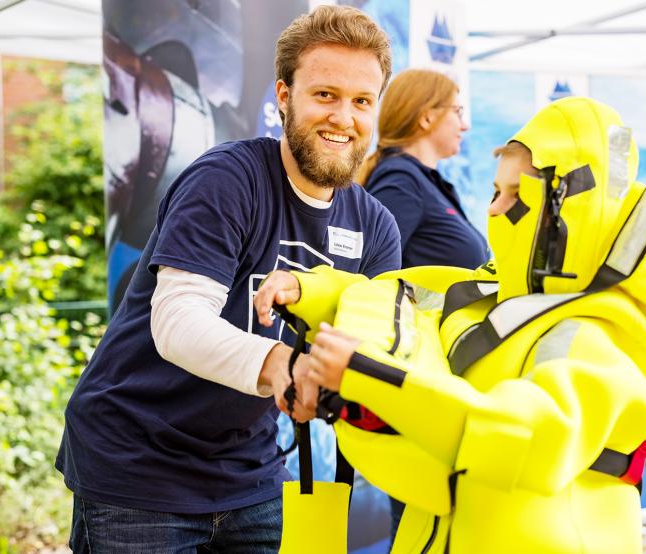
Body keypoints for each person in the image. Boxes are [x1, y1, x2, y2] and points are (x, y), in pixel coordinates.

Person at [257, 96, 646, 552]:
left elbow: (528, 438)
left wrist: (369, 376)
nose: (493, 209)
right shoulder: (503, 294)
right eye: (495, 191)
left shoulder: (597, 338)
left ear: (569, 207)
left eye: (515, 194)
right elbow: (414, 296)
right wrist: (312, 290)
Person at [55, 6, 400, 553]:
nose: (344, 118)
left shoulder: (375, 225)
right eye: (325, 95)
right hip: (138, 461)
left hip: (249, 467)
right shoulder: (227, 180)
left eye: (362, 101)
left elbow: (381, 342)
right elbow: (178, 323)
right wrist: (283, 365)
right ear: (284, 96)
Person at [356, 68, 488, 270]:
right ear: (426, 118)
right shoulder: (401, 181)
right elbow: (369, 271)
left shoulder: (424, 182)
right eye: (457, 112)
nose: (464, 126)